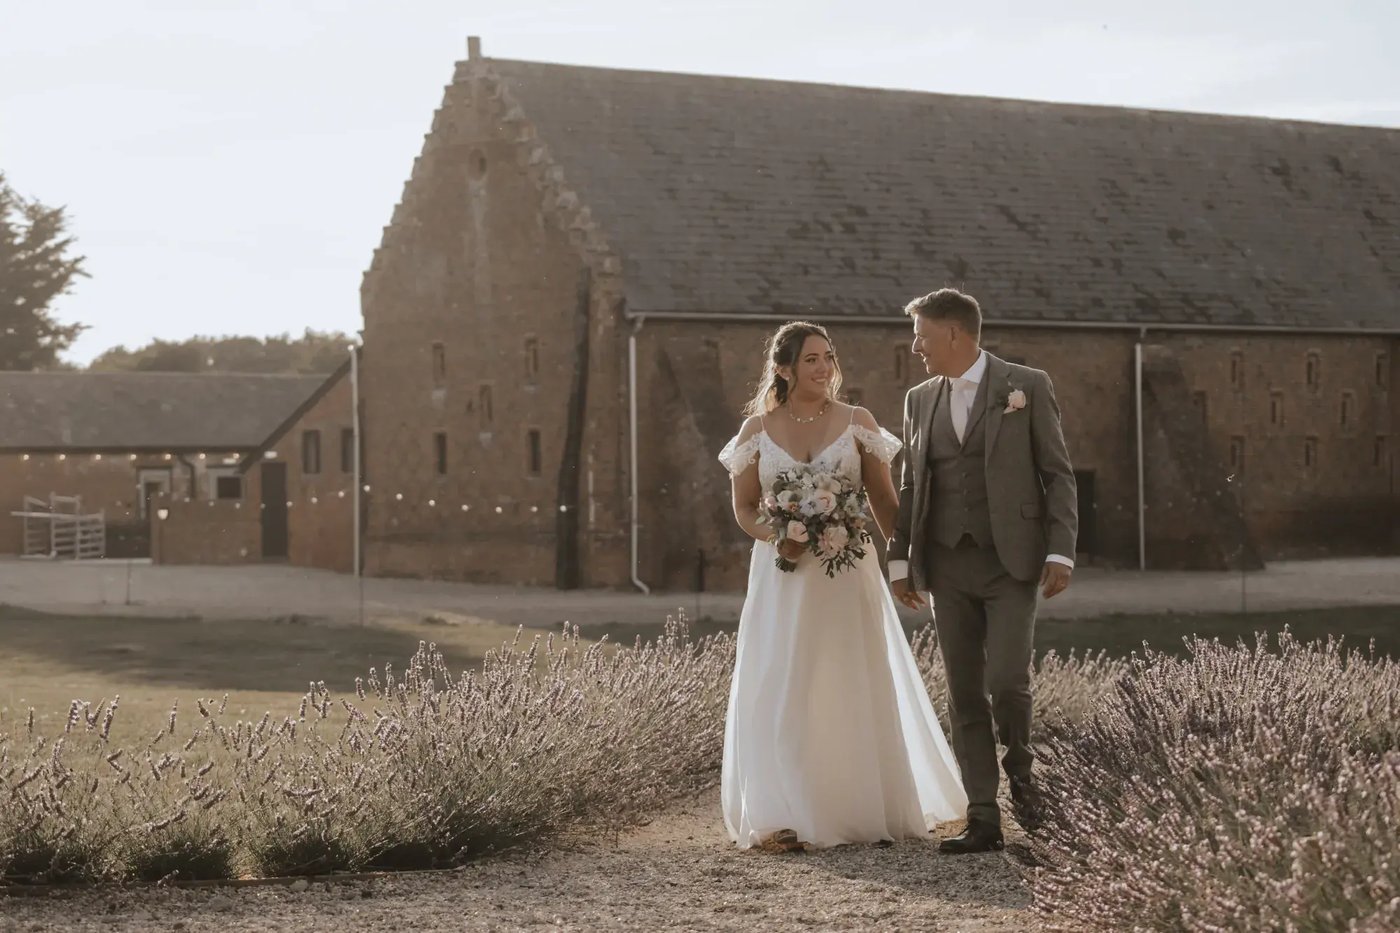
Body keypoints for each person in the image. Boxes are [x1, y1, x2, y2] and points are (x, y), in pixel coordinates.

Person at [717, 320, 965, 852]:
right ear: (784, 368)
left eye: (828, 356)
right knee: (783, 681)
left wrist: (906, 563)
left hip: (847, 573)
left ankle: (857, 808)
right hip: (782, 576)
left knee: (848, 679)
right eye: (811, 359)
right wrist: (775, 535)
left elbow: (883, 503)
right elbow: (742, 507)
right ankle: (780, 812)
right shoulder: (755, 432)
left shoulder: (858, 422)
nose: (825, 367)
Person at [888, 288, 1078, 853]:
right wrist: (901, 560)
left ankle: (1022, 778)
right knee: (965, 691)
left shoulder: (1028, 386)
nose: (915, 346)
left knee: (1007, 684)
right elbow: (911, 486)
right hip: (947, 565)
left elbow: (1058, 474)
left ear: (953, 333)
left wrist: (1060, 550)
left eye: (922, 334)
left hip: (1011, 561)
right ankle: (983, 816)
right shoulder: (919, 399)